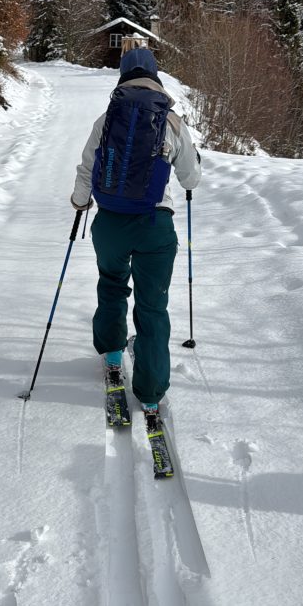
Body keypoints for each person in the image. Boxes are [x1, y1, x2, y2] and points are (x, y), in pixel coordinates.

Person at [71, 47, 201, 413]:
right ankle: (151, 389)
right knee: (152, 305)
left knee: (111, 283)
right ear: (156, 76)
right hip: (155, 226)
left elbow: (86, 168)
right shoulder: (172, 121)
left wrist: (81, 203)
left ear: (122, 77)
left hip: (110, 221)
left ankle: (112, 352)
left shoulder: (107, 119)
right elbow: (191, 176)